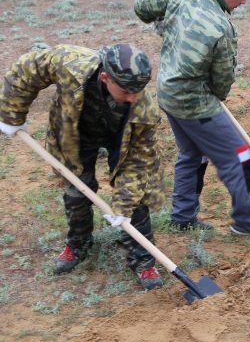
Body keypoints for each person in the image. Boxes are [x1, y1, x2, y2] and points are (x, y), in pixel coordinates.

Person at [0, 44, 166, 290]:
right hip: (77, 131)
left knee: (136, 199)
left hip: (123, 136)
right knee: (77, 191)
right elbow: (27, 68)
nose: (133, 97)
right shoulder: (71, 64)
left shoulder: (143, 110)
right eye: (126, 90)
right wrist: (12, 115)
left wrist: (124, 204)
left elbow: (139, 166)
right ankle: (79, 244)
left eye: (138, 90)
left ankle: (143, 260)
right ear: (105, 78)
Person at [134, 0, 250, 237]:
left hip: (166, 94)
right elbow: (222, 79)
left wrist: (163, 20)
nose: (245, 1)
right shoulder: (221, 27)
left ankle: (183, 216)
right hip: (194, 105)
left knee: (191, 153)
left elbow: (143, 7)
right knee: (238, 155)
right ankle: (246, 219)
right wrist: (215, 97)